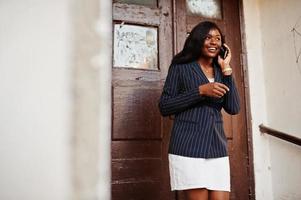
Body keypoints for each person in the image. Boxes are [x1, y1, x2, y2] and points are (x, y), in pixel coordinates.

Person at [158, 21, 240, 200]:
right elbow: (164, 106)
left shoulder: (220, 70)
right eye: (208, 37)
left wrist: (227, 69)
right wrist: (200, 91)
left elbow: (233, 108)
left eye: (218, 39)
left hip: (216, 147)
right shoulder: (180, 67)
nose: (214, 42)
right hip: (189, 146)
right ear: (197, 40)